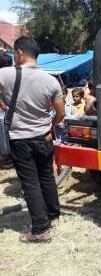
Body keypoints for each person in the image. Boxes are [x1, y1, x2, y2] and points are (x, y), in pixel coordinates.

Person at [0, 36, 65, 243]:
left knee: (30, 183)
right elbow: (61, 113)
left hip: (20, 139)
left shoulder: (5, 74)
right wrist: (51, 127)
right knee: (46, 177)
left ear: (19, 53)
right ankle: (53, 216)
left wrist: (4, 106)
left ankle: (40, 230)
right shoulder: (51, 80)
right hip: (44, 137)